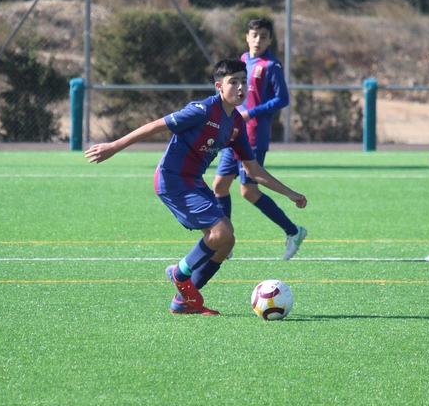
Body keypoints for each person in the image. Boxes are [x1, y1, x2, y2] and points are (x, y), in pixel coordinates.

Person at [85, 58, 307, 315]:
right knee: (223, 230)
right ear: (219, 87)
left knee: (227, 242)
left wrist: (290, 193)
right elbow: (155, 126)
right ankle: (179, 273)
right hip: (172, 180)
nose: (240, 88)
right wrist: (113, 146)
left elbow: (253, 170)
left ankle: (184, 302)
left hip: (193, 182)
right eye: (233, 82)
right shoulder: (202, 110)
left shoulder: (236, 124)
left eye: (243, 82)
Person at [213, 17, 307, 260]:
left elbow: (282, 99)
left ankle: (293, 231)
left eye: (263, 36)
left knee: (249, 191)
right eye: (254, 35)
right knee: (220, 186)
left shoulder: (271, 65)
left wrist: (249, 114)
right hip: (232, 132)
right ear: (247, 37)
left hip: (253, 134)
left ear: (270, 40)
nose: (258, 40)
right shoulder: (243, 61)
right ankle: (226, 243)